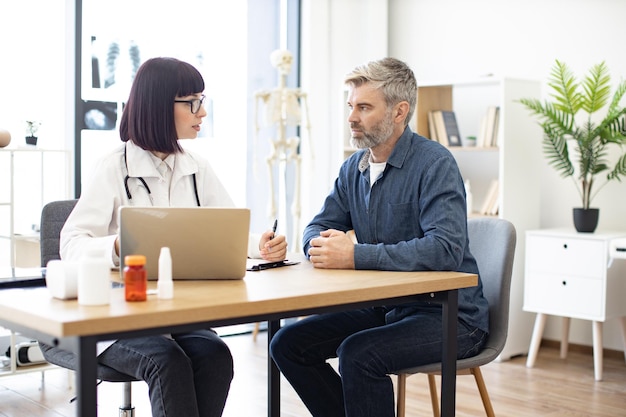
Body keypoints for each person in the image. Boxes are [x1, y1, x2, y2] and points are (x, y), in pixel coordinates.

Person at [60, 57, 288, 417]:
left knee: (215, 355)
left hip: (178, 314)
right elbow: (71, 243)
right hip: (119, 319)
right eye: (193, 102)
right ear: (160, 106)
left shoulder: (197, 168)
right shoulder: (113, 167)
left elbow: (227, 229)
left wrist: (259, 244)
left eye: (202, 100)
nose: (203, 112)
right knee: (167, 361)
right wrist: (119, 246)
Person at [269, 57, 489, 417]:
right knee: (287, 344)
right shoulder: (352, 168)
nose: (351, 117)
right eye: (351, 106)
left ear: (399, 111)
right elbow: (317, 226)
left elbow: (444, 250)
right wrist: (318, 246)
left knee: (359, 353)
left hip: (450, 316)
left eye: (364, 107)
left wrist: (355, 256)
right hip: (389, 307)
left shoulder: (435, 164)